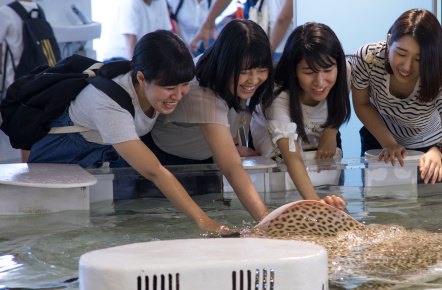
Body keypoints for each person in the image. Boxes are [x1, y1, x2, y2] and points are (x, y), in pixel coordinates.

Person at [28, 30, 229, 234]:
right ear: (141, 78)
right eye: (169, 88)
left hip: (102, 159)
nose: (178, 95)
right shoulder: (108, 103)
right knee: (61, 229)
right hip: (59, 160)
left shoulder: (154, 88)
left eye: (185, 84)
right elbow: (155, 171)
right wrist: (205, 222)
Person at [143, 20, 272, 222]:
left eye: (261, 70)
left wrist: (232, 144)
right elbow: (231, 168)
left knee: (214, 212)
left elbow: (231, 112)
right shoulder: (201, 90)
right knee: (171, 223)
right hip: (166, 158)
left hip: (203, 154)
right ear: (227, 62)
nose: (253, 80)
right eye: (245, 71)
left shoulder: (222, 66)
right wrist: (267, 221)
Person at [349, 9, 442, 185]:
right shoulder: (368, 59)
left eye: (419, 59)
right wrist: (388, 143)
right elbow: (362, 104)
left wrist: (437, 151)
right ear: (388, 41)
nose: (406, 67)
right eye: (401, 54)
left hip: (430, 146)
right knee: (380, 208)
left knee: (435, 208)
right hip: (381, 140)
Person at [250, 22, 348, 209]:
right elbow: (291, 155)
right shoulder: (276, 95)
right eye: (309, 72)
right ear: (293, 70)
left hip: (322, 167)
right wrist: (317, 205)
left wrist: (331, 130)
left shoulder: (345, 70)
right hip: (278, 171)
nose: (320, 82)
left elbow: (346, 93)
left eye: (327, 70)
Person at [0, 0, 40, 162]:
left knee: (24, 132)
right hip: (38, 79)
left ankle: (27, 174)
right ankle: (33, 174)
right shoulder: (38, 9)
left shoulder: (6, 12)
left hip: (15, 82)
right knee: (32, 129)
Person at [189, 0, 293, 59]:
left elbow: (283, 19)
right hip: (270, 46)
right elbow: (283, 19)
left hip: (275, 49)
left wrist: (268, 53)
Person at [102, 0, 172, 61]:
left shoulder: (161, 2)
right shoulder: (130, 2)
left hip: (145, 60)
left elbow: (168, 37)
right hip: (119, 59)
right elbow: (130, 37)